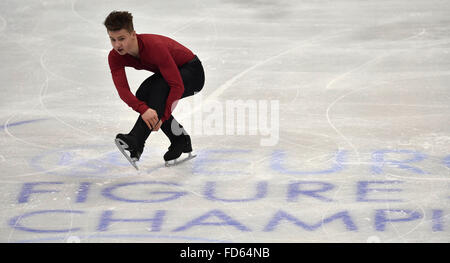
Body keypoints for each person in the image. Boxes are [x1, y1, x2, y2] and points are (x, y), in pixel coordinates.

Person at [103, 11, 205, 168]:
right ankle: (180, 139)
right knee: (143, 95)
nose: (117, 45)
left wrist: (162, 117)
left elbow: (177, 86)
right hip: (169, 76)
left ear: (133, 35)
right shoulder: (115, 57)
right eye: (112, 39)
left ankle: (136, 140)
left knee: (159, 89)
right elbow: (123, 90)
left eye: (121, 39)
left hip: (193, 74)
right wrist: (143, 109)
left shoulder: (154, 47)